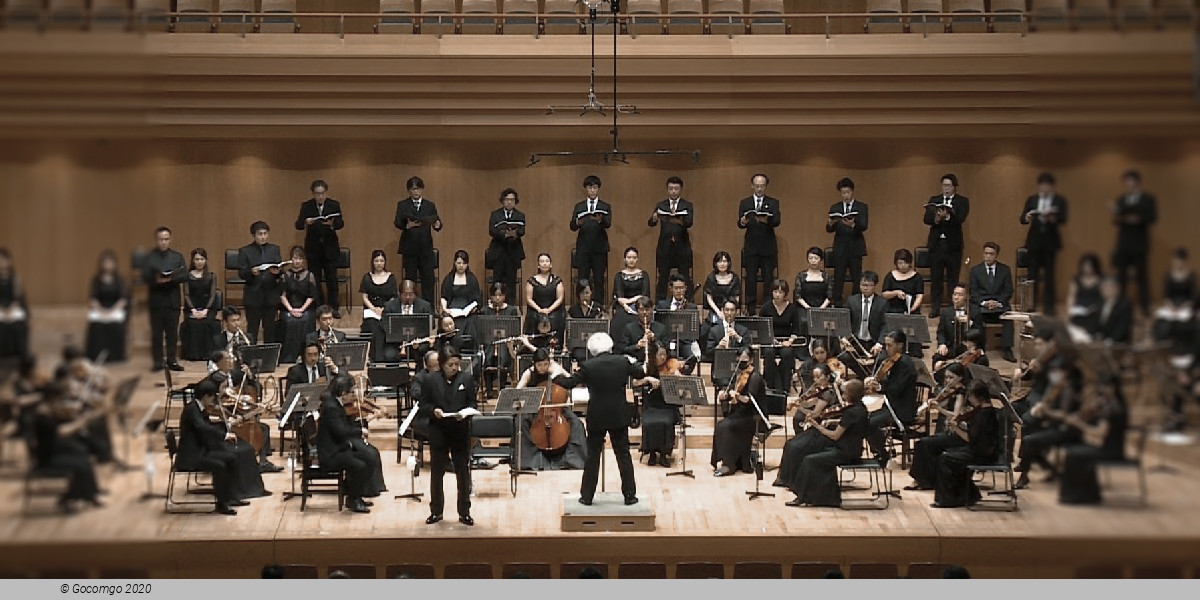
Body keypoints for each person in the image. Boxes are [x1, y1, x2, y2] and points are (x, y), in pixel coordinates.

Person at [553, 332, 653, 505]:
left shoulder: (588, 366)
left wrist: (554, 374)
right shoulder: (622, 361)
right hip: (618, 414)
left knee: (593, 456)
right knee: (623, 455)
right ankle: (630, 495)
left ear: (592, 350)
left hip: (597, 416)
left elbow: (569, 383)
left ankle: (587, 497)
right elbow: (640, 373)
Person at [179, 380, 267, 515]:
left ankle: (231, 496)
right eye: (212, 397)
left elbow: (206, 427)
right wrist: (224, 435)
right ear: (205, 396)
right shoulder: (191, 409)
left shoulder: (199, 408)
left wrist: (222, 427)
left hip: (202, 449)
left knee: (232, 458)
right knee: (220, 465)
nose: (214, 400)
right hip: (192, 455)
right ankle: (221, 503)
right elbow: (201, 427)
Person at [785, 378, 870, 507]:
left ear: (851, 395)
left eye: (844, 393)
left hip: (845, 452)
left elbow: (834, 436)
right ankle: (817, 496)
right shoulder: (861, 408)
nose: (842, 395)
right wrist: (833, 421)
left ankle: (805, 497)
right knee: (812, 456)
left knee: (809, 460)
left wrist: (816, 425)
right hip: (853, 448)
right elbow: (849, 424)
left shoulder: (851, 412)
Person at [417, 346, 477, 525]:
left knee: (462, 473)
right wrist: (433, 410)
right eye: (450, 364)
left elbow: (473, 403)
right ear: (442, 364)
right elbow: (423, 405)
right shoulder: (430, 380)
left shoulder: (466, 379)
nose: (454, 368)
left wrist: (465, 413)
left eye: (457, 364)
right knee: (437, 473)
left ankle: (464, 512)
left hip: (460, 431)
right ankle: (436, 511)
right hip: (439, 431)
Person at [316, 375, 384, 514]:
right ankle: (353, 500)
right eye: (351, 392)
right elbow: (341, 432)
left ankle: (356, 494)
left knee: (369, 457)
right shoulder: (331, 407)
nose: (353, 395)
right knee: (360, 466)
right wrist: (360, 431)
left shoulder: (334, 403)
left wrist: (360, 425)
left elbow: (343, 428)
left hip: (338, 447)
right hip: (331, 453)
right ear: (343, 393)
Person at [30, 382, 101, 514]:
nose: (60, 402)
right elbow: (61, 432)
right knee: (81, 465)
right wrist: (82, 421)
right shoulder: (41, 416)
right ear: (52, 398)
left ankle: (90, 494)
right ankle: (68, 497)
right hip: (47, 458)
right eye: (58, 398)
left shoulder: (47, 411)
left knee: (84, 457)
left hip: (55, 451)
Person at [929, 381, 1001, 509]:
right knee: (950, 453)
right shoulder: (986, 411)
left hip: (982, 454)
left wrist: (955, 428)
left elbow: (970, 439)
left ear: (977, 397)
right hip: (982, 450)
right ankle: (968, 495)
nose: (969, 399)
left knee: (945, 458)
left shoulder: (983, 416)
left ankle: (948, 499)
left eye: (970, 396)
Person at [206, 349, 279, 472]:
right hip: (225, 414)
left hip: (236, 411)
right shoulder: (216, 378)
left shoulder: (232, 374)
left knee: (263, 427)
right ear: (219, 363)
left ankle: (263, 461)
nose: (231, 361)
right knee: (258, 428)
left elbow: (254, 385)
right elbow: (223, 396)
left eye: (231, 358)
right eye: (227, 359)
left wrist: (249, 374)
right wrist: (239, 398)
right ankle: (251, 460)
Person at [514, 347, 587, 470]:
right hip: (536, 409)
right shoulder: (529, 373)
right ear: (534, 364)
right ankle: (529, 460)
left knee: (576, 423)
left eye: (545, 364)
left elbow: (570, 380)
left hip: (556, 407)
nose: (543, 367)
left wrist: (557, 372)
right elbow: (517, 391)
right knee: (520, 422)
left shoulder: (554, 369)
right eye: (539, 365)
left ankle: (574, 460)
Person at [1059, 379, 1129, 505]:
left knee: (1073, 454)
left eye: (1106, 387)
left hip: (1109, 451)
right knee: (1075, 451)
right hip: (1113, 448)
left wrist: (1079, 424)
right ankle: (1089, 494)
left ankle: (1076, 496)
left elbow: (1099, 433)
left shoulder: (1111, 409)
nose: (1102, 391)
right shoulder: (1118, 405)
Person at [906, 366, 972, 491]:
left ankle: (922, 480)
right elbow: (942, 403)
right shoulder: (952, 391)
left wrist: (939, 409)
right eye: (946, 377)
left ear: (960, 378)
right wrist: (932, 403)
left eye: (951, 377)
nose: (947, 380)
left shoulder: (961, 394)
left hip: (958, 434)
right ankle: (925, 480)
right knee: (925, 444)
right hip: (950, 431)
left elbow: (956, 416)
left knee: (923, 443)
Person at [775, 363, 839, 492]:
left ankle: (793, 480)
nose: (816, 380)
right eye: (814, 377)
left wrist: (797, 407)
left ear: (827, 377)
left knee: (794, 447)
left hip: (823, 431)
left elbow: (815, 414)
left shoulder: (828, 393)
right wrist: (798, 403)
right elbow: (809, 404)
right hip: (816, 429)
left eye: (819, 377)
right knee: (791, 444)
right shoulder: (821, 391)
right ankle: (788, 479)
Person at [863, 331, 918, 466]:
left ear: (900, 345)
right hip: (891, 405)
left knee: (871, 423)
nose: (887, 348)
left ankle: (882, 453)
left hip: (901, 409)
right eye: (886, 345)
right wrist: (875, 381)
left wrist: (879, 387)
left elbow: (897, 389)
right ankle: (881, 451)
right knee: (864, 419)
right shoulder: (895, 361)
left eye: (890, 345)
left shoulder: (905, 364)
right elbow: (890, 384)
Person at [711, 347, 766, 477]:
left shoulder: (755, 377)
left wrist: (736, 395)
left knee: (726, 426)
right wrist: (724, 395)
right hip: (741, 413)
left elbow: (749, 400)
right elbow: (730, 391)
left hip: (754, 416)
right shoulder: (738, 374)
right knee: (720, 425)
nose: (740, 362)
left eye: (744, 360)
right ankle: (727, 461)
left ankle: (729, 465)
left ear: (751, 360)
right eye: (738, 360)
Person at [1021, 172, 1069, 316]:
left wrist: (1053, 218)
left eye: (1047, 185)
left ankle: (1049, 307)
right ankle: (1031, 305)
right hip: (1034, 242)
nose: (1045, 188)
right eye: (1042, 185)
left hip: (1050, 242)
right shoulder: (1032, 199)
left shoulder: (1059, 200)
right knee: (1032, 275)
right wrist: (1027, 216)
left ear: (1052, 186)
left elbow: (1063, 219)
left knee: (1049, 276)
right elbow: (1022, 218)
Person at [294, 179, 344, 318]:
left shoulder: (334, 205)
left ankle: (333, 308)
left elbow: (341, 223)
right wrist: (306, 222)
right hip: (313, 249)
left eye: (322, 193)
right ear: (313, 193)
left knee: (332, 280)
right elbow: (298, 225)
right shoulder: (306, 206)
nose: (320, 196)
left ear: (326, 193)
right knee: (315, 280)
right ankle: (319, 308)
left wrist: (332, 224)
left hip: (330, 248)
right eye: (317, 193)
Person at [1112, 169, 1157, 316]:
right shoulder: (1121, 199)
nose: (1129, 185)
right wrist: (1119, 218)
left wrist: (1138, 219)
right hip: (1124, 243)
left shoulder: (1148, 199)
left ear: (1137, 183)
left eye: (1131, 182)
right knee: (1122, 278)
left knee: (1142, 277)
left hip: (1139, 244)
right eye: (1126, 183)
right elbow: (1115, 221)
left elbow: (1153, 218)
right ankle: (1120, 306)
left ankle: (1145, 307)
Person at [924, 174, 970, 317]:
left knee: (952, 278)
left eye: (949, 185)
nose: (946, 188)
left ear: (954, 187)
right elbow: (926, 219)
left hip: (953, 246)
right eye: (944, 185)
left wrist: (948, 216)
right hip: (937, 245)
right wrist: (937, 218)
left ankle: (952, 308)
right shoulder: (934, 200)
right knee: (936, 278)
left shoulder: (962, 201)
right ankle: (935, 308)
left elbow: (960, 218)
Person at [142, 227, 187, 372]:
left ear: (170, 239)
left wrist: (170, 278)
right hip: (156, 300)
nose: (163, 242)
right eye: (161, 239)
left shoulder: (177, 257)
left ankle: (172, 360)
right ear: (156, 240)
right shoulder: (149, 258)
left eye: (166, 239)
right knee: (156, 334)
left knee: (172, 333)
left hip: (172, 300)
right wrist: (157, 279)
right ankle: (157, 362)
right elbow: (145, 277)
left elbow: (184, 275)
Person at [394, 176, 443, 305]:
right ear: (409, 190)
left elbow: (437, 223)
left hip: (425, 249)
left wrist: (438, 225)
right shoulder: (403, 204)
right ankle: (410, 307)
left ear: (422, 189)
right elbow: (397, 222)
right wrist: (407, 226)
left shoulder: (429, 205)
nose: (415, 191)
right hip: (409, 249)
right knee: (410, 281)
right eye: (413, 189)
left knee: (428, 280)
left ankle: (429, 308)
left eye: (418, 189)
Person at [738, 173, 782, 310]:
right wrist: (743, 221)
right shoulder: (745, 202)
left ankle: (768, 308)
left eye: (762, 186)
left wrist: (767, 220)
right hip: (751, 247)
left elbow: (777, 221)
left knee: (768, 279)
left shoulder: (773, 202)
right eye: (757, 186)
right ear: (752, 185)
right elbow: (740, 224)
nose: (759, 189)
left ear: (766, 186)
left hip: (768, 247)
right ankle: (750, 309)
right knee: (750, 279)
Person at [236, 221, 283, 344]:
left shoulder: (274, 249)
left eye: (265, 233)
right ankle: (251, 354)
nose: (263, 237)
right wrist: (251, 272)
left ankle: (269, 355)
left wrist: (277, 271)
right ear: (254, 235)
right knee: (252, 330)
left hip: (270, 294)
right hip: (253, 295)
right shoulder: (245, 251)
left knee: (270, 329)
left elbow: (280, 269)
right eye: (260, 234)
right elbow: (241, 273)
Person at [648, 176, 694, 301]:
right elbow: (651, 223)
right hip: (665, 247)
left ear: (681, 189)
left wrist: (679, 220)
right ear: (667, 189)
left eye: (676, 189)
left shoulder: (687, 205)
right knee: (663, 277)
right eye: (671, 188)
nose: (673, 191)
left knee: (685, 276)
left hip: (682, 246)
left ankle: (687, 303)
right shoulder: (661, 205)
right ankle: (660, 304)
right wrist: (654, 218)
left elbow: (689, 222)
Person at [968, 242, 1015, 363]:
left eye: (991, 254)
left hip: (999, 305)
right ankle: (980, 347)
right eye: (986, 253)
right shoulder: (975, 270)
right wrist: (985, 303)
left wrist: (997, 302)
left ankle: (1007, 349)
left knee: (1008, 316)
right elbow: (973, 292)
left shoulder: (1005, 270)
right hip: (982, 304)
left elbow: (1008, 290)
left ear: (996, 255)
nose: (988, 256)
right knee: (976, 313)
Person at [638, 343, 682, 467]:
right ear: (654, 355)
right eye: (660, 355)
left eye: (665, 355)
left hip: (668, 405)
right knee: (649, 422)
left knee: (667, 422)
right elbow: (635, 382)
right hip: (651, 405)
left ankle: (664, 454)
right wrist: (647, 379)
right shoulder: (647, 367)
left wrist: (677, 377)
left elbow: (682, 386)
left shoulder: (671, 365)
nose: (663, 357)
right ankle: (651, 453)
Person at [826, 177, 869, 305]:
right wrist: (830, 224)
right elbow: (829, 229)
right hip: (840, 247)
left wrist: (853, 225)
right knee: (839, 277)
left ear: (852, 191)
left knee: (856, 277)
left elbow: (864, 225)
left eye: (848, 192)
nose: (846, 195)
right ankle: (838, 303)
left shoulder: (862, 207)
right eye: (843, 192)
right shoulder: (835, 207)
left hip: (856, 246)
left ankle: (855, 303)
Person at [570, 175, 613, 302]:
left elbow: (608, 224)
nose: (592, 190)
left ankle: (598, 306)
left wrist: (600, 220)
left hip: (599, 248)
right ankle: (582, 305)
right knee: (583, 279)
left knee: (599, 279)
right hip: (583, 248)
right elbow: (572, 226)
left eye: (595, 187)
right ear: (586, 189)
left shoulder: (605, 206)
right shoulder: (579, 206)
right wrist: (578, 222)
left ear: (598, 188)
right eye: (590, 187)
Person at [758, 279, 802, 393]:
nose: (777, 295)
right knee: (769, 353)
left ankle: (784, 385)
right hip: (770, 341)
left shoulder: (792, 308)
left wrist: (789, 341)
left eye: (780, 292)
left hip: (786, 341)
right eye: (775, 292)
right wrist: (771, 339)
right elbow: (761, 328)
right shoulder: (766, 307)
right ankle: (770, 385)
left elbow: (796, 329)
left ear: (785, 294)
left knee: (787, 353)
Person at [179, 248, 222, 362]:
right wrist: (193, 310)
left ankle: (207, 354)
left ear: (206, 260)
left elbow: (212, 295)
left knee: (207, 322)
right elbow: (186, 295)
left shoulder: (211, 276)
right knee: (193, 323)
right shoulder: (187, 276)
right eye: (197, 259)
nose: (199, 262)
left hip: (208, 308)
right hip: (191, 308)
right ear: (193, 261)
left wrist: (206, 310)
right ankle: (193, 354)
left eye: (202, 259)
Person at [85, 250, 128, 363]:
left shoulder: (119, 279)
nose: (108, 265)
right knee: (97, 325)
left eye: (110, 262)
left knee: (116, 325)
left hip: (115, 309)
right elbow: (93, 299)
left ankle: (115, 356)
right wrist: (101, 311)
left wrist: (111, 311)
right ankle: (95, 355)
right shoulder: (96, 279)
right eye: (105, 262)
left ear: (115, 264)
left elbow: (123, 299)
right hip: (100, 309)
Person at [881, 248, 925, 357]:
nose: (903, 265)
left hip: (911, 310)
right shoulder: (890, 276)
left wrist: (912, 309)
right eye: (900, 263)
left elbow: (919, 295)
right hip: (894, 309)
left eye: (905, 263)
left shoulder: (917, 277)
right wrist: (895, 293)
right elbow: (884, 294)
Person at [479, 282, 521, 393]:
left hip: (505, 343)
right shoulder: (484, 311)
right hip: (489, 342)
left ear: (505, 296)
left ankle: (502, 388)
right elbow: (481, 331)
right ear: (490, 296)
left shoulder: (511, 310)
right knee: (488, 355)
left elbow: (514, 331)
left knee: (504, 354)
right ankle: (488, 389)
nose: (497, 298)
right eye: (495, 295)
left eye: (500, 295)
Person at [279, 246, 318, 364]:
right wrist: (291, 310)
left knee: (306, 320)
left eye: (300, 258)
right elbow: (282, 296)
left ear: (303, 260)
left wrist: (301, 309)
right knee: (289, 321)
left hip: (305, 307)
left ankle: (305, 355)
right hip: (289, 308)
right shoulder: (285, 275)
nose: (297, 261)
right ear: (291, 259)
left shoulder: (310, 275)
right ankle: (289, 356)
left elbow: (311, 296)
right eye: (295, 258)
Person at [1153, 247, 1196, 354]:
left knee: (1183, 322)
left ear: (1185, 261)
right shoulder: (1168, 275)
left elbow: (1192, 297)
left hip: (1185, 306)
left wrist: (1182, 307)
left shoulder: (1191, 276)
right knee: (1163, 322)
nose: (1177, 263)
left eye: (1179, 260)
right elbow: (1166, 296)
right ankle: (1162, 347)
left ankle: (1182, 349)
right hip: (1171, 305)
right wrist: (1171, 307)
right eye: (1175, 260)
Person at [486, 188, 526, 303]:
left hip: (513, 253)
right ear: (502, 200)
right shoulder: (495, 214)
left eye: (512, 200)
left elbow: (522, 231)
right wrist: (504, 234)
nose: (509, 202)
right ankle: (496, 304)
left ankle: (510, 307)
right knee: (497, 281)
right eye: (507, 199)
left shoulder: (520, 215)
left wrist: (514, 233)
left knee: (511, 282)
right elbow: (491, 231)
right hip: (498, 253)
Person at [359, 250, 399, 363]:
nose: (379, 263)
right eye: (376, 261)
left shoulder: (391, 277)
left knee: (383, 325)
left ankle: (382, 356)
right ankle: (376, 357)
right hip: (371, 310)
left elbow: (394, 297)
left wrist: (384, 309)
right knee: (374, 326)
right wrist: (373, 309)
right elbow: (364, 297)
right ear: (372, 262)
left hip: (386, 310)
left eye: (381, 261)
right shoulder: (367, 277)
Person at [930, 284, 981, 372]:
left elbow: (981, 332)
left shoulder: (975, 311)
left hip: (968, 349)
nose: (956, 297)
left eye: (960, 295)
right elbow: (941, 332)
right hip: (951, 347)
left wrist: (970, 323)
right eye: (954, 294)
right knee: (937, 359)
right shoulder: (946, 312)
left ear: (966, 297)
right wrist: (942, 344)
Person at [655, 273, 700, 360]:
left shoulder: (691, 307)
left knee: (692, 357)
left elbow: (696, 328)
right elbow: (657, 325)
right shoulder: (662, 305)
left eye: (681, 288)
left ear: (685, 288)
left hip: (685, 342)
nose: (679, 291)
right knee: (670, 356)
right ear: (671, 289)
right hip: (668, 341)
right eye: (676, 288)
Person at [610, 247, 650, 343]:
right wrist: (625, 305)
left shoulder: (644, 275)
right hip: (623, 306)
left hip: (639, 305)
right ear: (625, 259)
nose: (631, 260)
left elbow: (644, 294)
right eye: (629, 257)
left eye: (634, 257)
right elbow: (619, 296)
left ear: (637, 259)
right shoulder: (619, 275)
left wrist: (630, 301)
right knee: (619, 319)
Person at [524, 252, 565, 345]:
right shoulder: (531, 281)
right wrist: (539, 310)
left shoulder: (557, 280)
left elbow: (560, 298)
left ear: (551, 264)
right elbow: (529, 299)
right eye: (542, 261)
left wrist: (549, 310)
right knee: (533, 316)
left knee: (555, 317)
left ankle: (554, 345)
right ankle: (534, 345)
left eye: (547, 261)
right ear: (538, 265)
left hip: (553, 309)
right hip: (537, 309)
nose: (544, 263)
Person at [440, 249, 482, 338]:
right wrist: (445, 308)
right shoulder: (449, 278)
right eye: (459, 263)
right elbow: (444, 296)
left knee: (472, 321)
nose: (461, 266)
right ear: (454, 263)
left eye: (464, 263)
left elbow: (477, 299)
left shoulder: (472, 279)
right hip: (453, 310)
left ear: (467, 264)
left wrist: (473, 308)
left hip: (468, 311)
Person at [794, 246, 833, 342]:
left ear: (821, 260)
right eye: (810, 258)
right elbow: (798, 296)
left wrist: (821, 309)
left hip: (822, 307)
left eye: (816, 258)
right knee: (804, 321)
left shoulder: (826, 276)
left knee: (824, 321)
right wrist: (808, 308)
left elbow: (830, 296)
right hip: (805, 307)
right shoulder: (801, 276)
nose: (813, 261)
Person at [702, 250, 741, 343]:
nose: (722, 264)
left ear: (728, 263)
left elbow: (737, 297)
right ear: (715, 264)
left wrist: (729, 310)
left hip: (730, 309)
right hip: (716, 310)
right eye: (719, 261)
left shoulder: (735, 278)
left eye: (724, 261)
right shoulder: (711, 277)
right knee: (704, 330)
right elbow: (709, 297)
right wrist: (719, 312)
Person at [847, 271, 886, 356]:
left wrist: (879, 343)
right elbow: (846, 322)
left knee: (882, 358)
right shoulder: (851, 301)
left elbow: (885, 325)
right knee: (844, 357)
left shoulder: (882, 303)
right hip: (855, 342)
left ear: (874, 286)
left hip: (874, 342)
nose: (865, 288)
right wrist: (845, 339)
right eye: (863, 285)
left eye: (868, 285)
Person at [1066, 253, 1104, 334]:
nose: (1087, 268)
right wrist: (1069, 310)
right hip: (1079, 309)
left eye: (1090, 266)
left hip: (1094, 310)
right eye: (1085, 266)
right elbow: (1072, 296)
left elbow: (1104, 297)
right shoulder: (1076, 280)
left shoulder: (1101, 280)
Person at [621, 297, 667, 363]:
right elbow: (623, 349)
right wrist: (637, 346)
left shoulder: (661, 328)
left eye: (647, 309)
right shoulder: (629, 328)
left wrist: (654, 339)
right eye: (641, 310)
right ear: (637, 311)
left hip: (657, 363)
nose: (645, 312)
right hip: (636, 363)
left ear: (652, 310)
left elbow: (667, 348)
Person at [1093, 277, 1133, 345]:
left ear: (1116, 289)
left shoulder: (1124, 304)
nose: (1105, 291)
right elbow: (1096, 323)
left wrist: (1110, 341)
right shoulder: (1099, 303)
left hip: (1119, 342)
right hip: (1101, 341)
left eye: (1108, 289)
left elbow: (1122, 326)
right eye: (1103, 289)